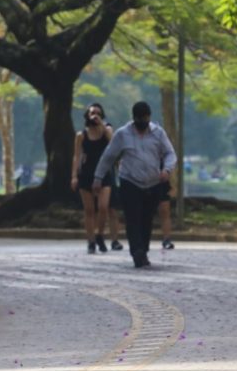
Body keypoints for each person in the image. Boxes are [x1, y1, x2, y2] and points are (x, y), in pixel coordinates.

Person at [94, 101, 176, 268]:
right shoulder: (123, 134)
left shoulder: (158, 133)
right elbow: (108, 157)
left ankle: (143, 249)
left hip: (153, 182)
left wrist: (167, 170)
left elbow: (170, 153)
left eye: (144, 118)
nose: (142, 122)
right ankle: (136, 252)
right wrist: (98, 178)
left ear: (149, 117)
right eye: (139, 119)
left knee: (146, 219)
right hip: (130, 182)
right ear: (134, 118)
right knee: (133, 218)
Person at [71, 103, 114, 253]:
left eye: (98, 113)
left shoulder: (107, 130)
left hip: (104, 174)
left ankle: (100, 235)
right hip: (86, 174)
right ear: (87, 116)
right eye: (92, 113)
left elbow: (113, 143)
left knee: (103, 207)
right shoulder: (81, 135)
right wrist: (74, 176)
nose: (94, 115)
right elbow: (76, 156)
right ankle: (91, 241)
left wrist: (101, 125)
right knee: (89, 210)